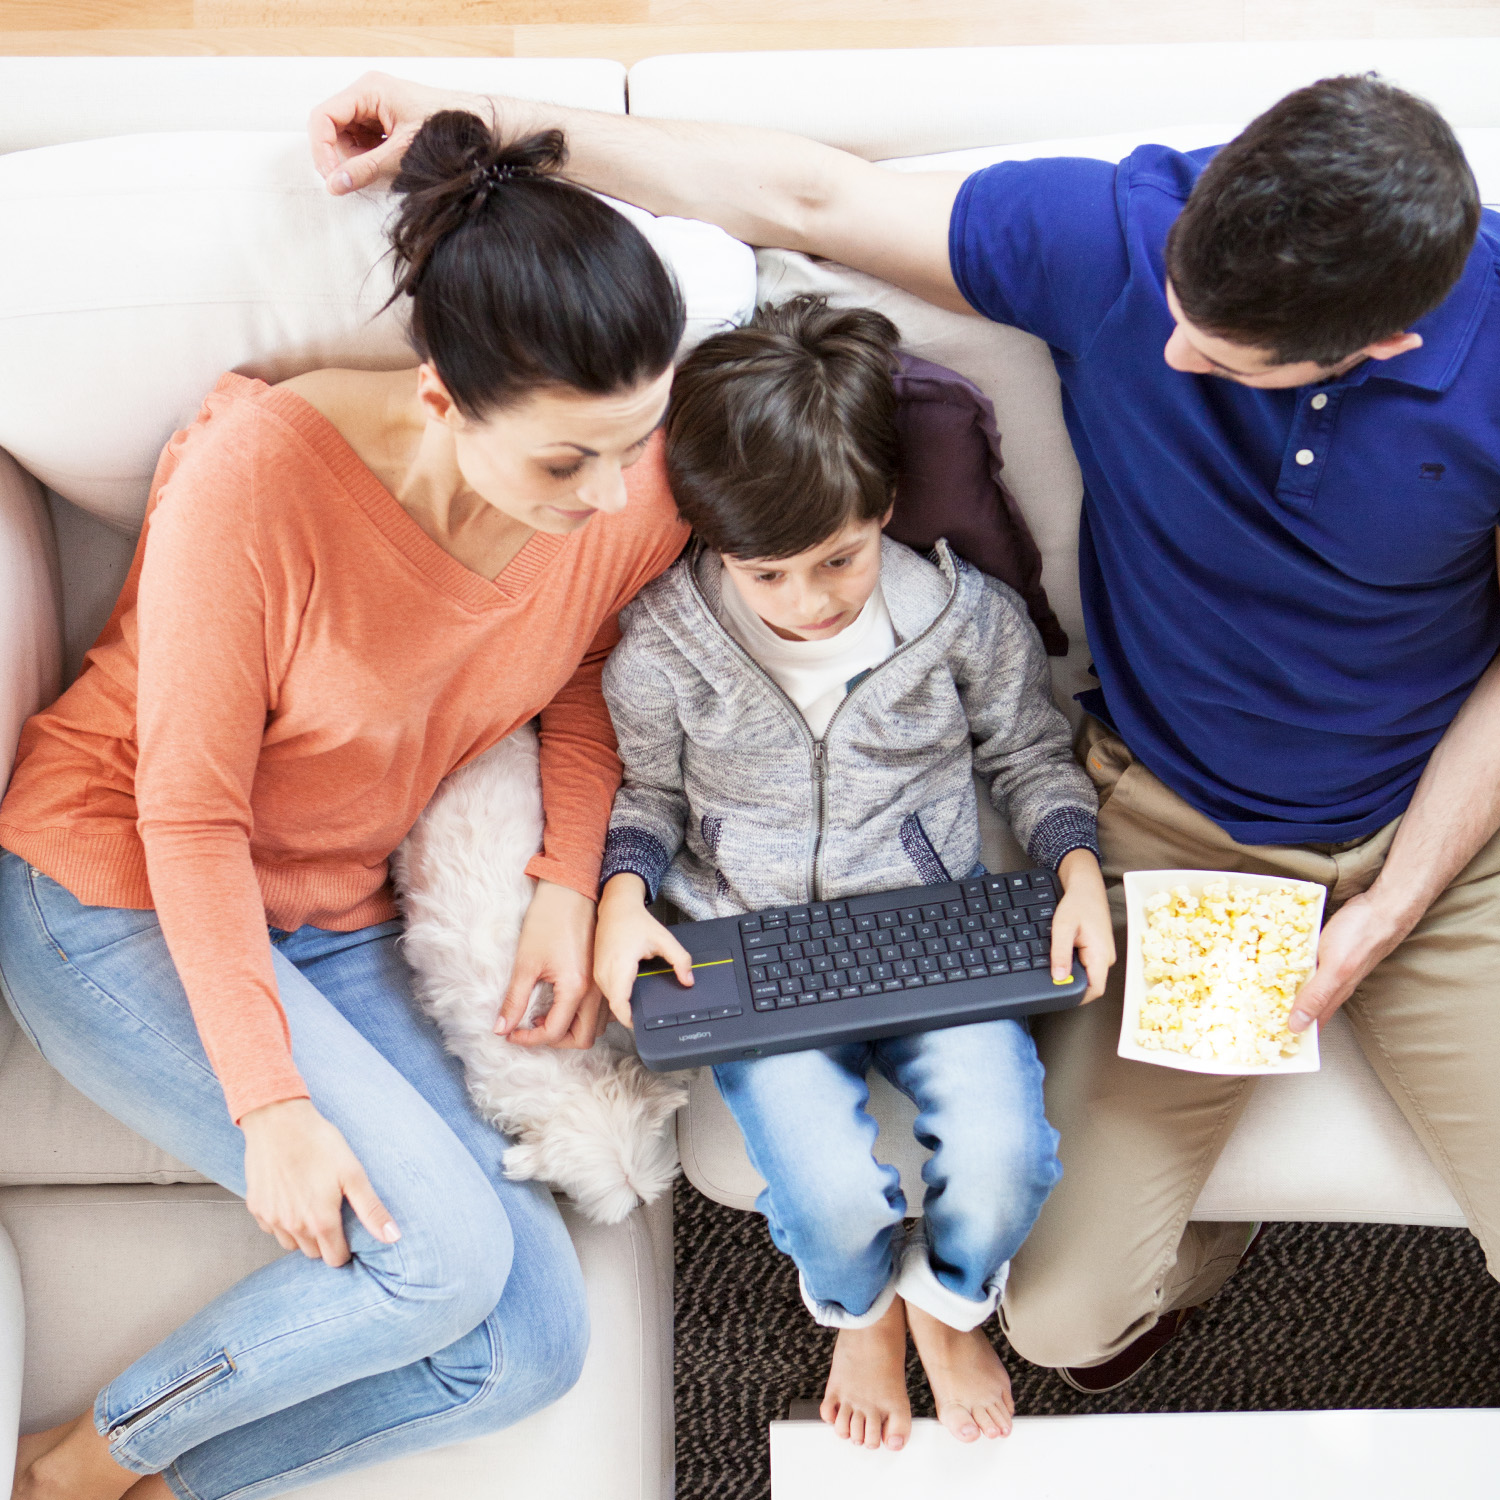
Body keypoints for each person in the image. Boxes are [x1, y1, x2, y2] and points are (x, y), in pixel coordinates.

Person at [308, 70, 1500, 1389]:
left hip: (1447, 848)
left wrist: (1390, 911)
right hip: (1202, 851)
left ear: (1379, 347)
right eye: (1177, 315)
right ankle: (1201, 1239)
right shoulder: (1118, 239)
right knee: (1058, 1323)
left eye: (1218, 361)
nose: (1167, 355)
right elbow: (809, 193)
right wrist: (472, 125)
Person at [0, 110, 689, 1500]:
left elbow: (593, 666)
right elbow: (183, 820)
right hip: (117, 886)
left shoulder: (618, 477)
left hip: (325, 910)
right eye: (569, 464)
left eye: (637, 443)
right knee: (443, 1261)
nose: (618, 494)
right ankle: (84, 1463)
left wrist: (569, 878)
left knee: (532, 1347)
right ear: (441, 403)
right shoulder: (258, 484)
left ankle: (165, 1488)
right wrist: (271, 1107)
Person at [592, 297, 1114, 1450]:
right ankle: (862, 1308)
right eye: (766, 575)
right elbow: (648, 795)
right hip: (753, 945)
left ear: (881, 508)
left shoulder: (962, 620)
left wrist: (1076, 865)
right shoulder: (664, 644)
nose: (810, 599)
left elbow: (1030, 755)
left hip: (931, 931)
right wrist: (624, 895)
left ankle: (944, 1301)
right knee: (825, 1192)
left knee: (1005, 1156)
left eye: (838, 558)